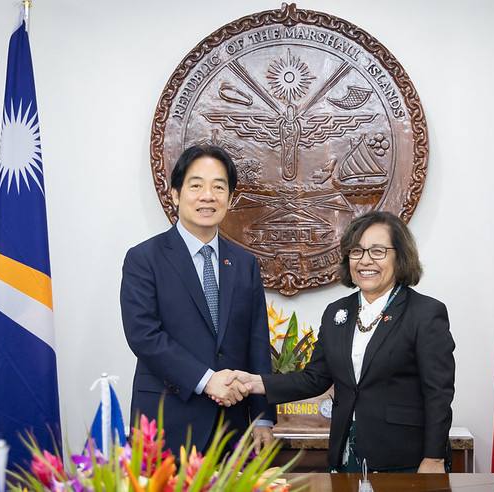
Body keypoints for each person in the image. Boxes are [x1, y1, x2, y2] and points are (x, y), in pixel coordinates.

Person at [232, 211, 455, 472]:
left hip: (406, 459)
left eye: (378, 251)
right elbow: (315, 378)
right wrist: (255, 382)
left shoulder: (425, 313)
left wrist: (434, 458)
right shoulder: (337, 312)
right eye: (357, 251)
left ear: (400, 256)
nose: (365, 260)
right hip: (346, 454)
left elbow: (438, 394)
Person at [120, 145, 275, 454]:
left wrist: (262, 418)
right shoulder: (144, 259)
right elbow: (144, 336)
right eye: (196, 185)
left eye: (219, 187)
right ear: (176, 194)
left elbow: (257, 341)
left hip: (231, 428)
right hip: (166, 422)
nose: (208, 195)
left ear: (230, 199)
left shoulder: (244, 264)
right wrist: (206, 380)